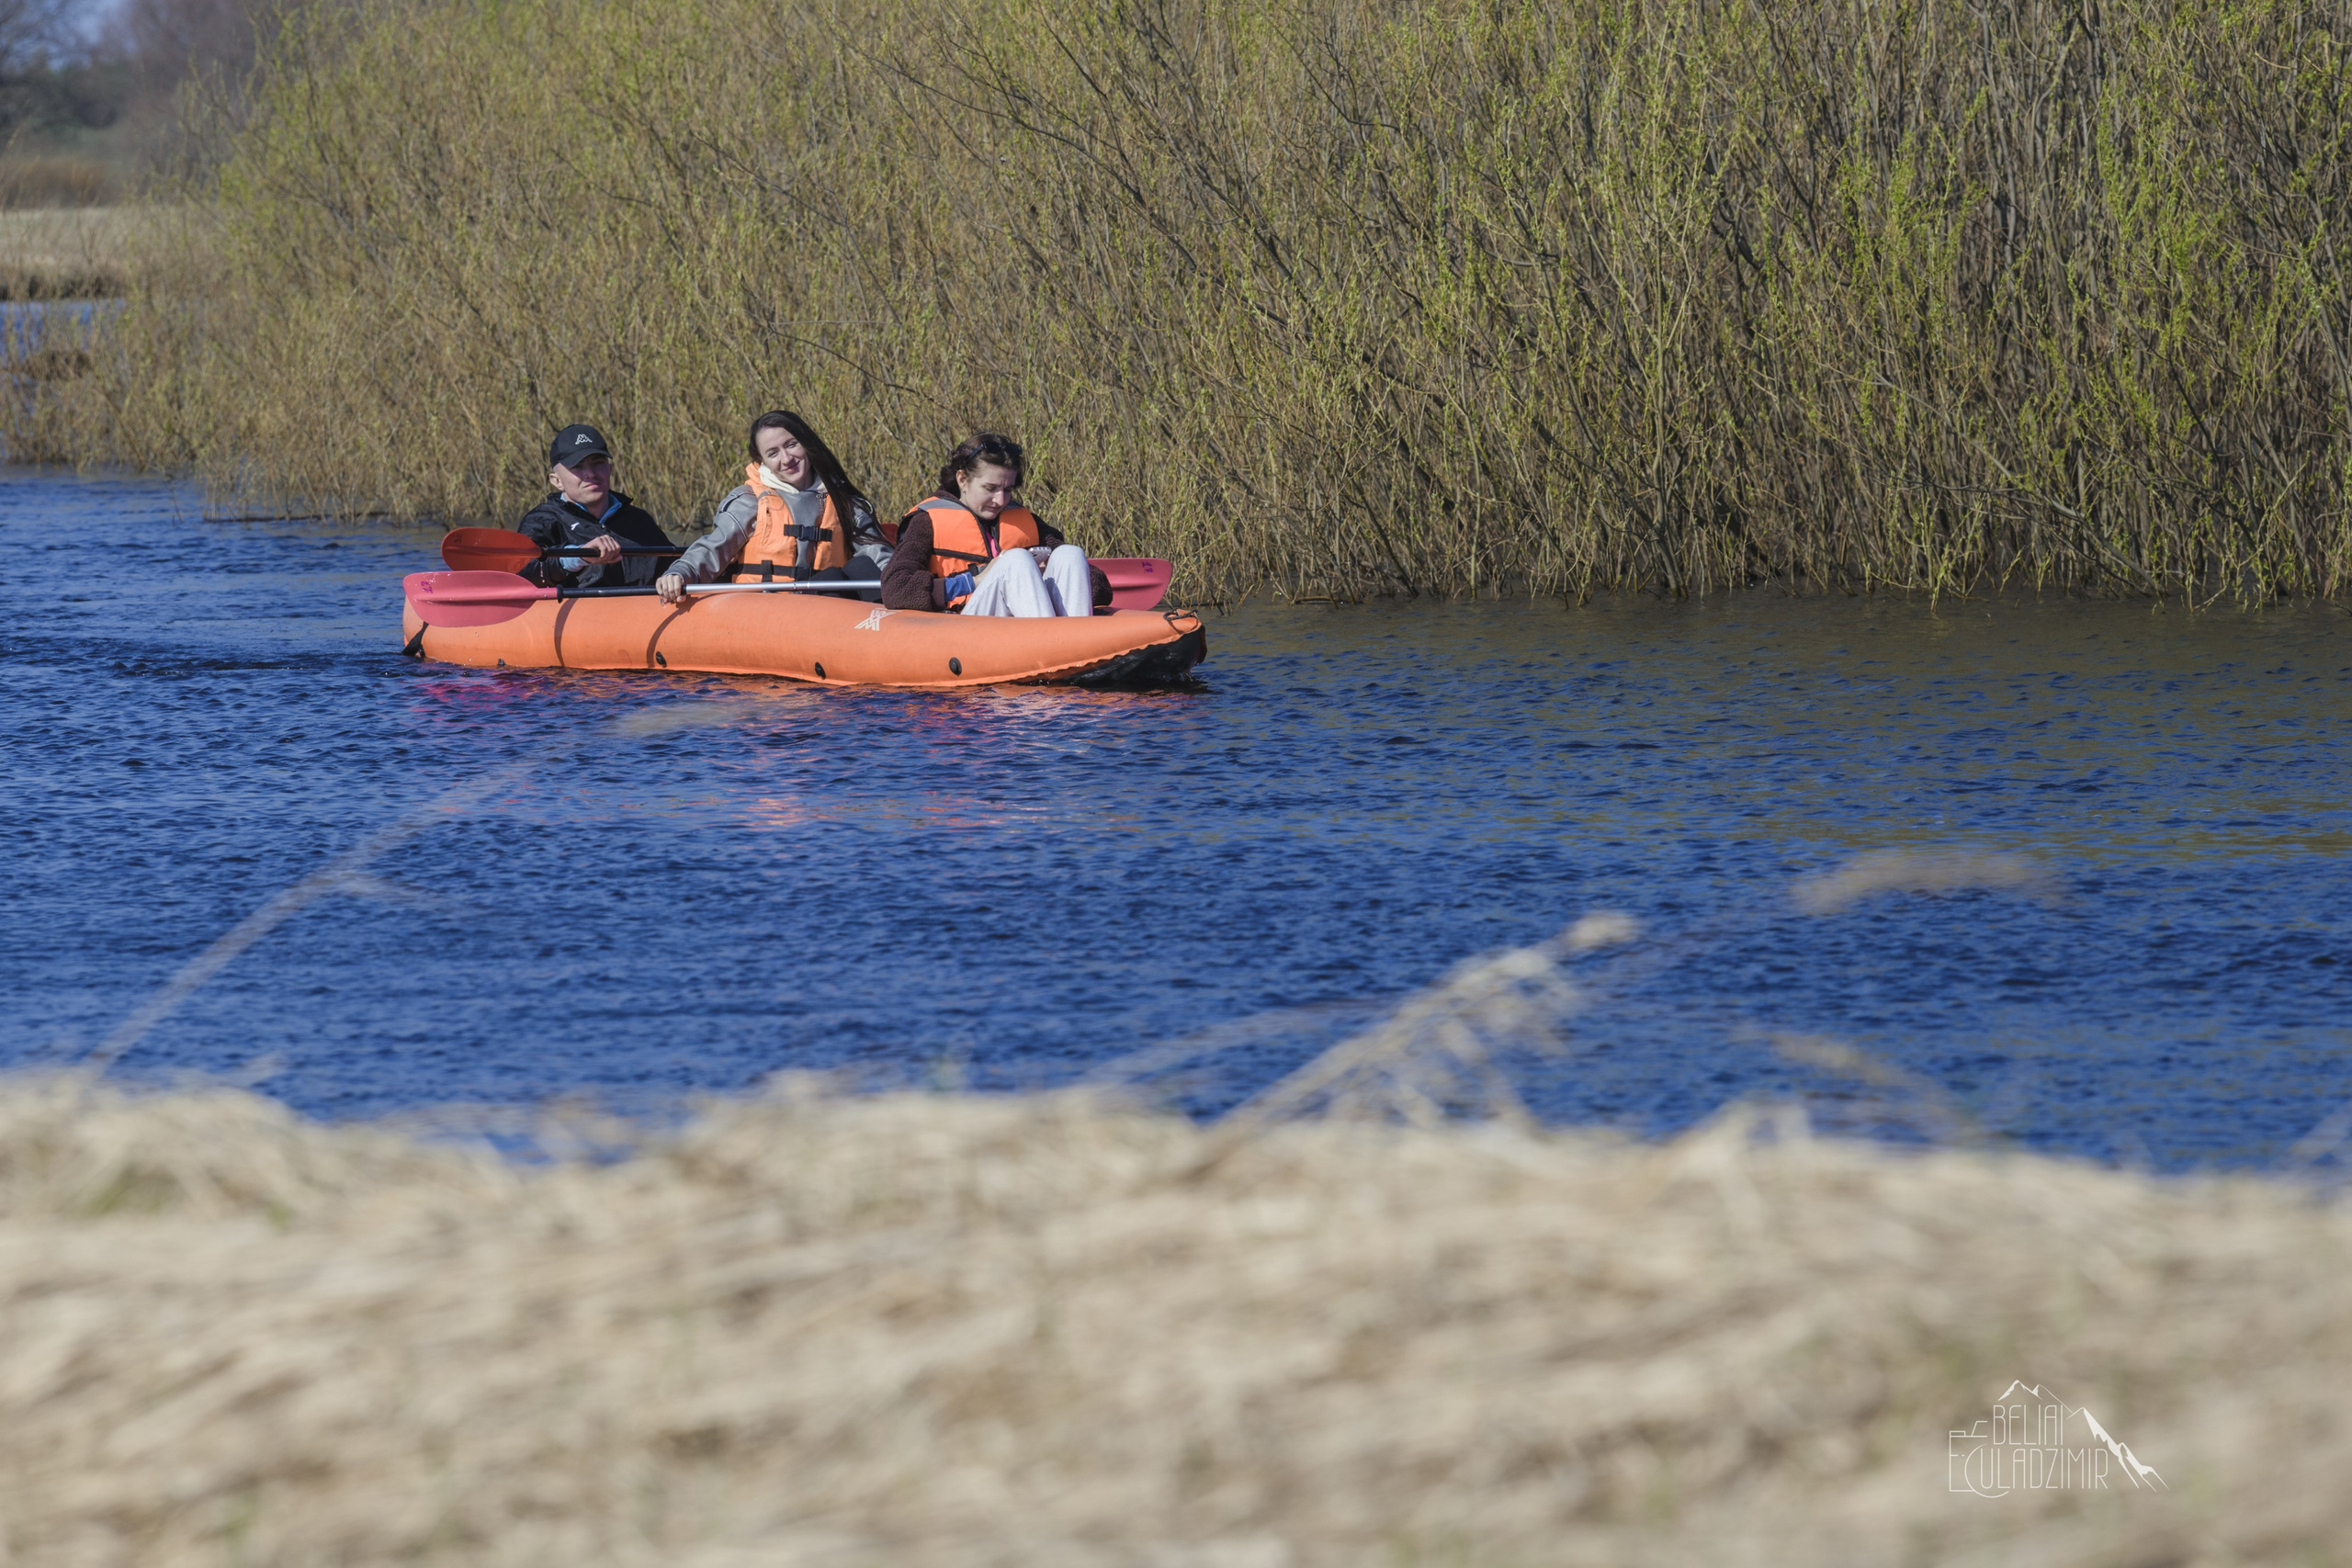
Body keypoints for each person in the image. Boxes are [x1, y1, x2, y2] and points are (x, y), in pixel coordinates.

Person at [657, 411, 887, 604]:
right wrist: (680, 572)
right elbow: (714, 547)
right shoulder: (749, 501)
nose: (787, 459)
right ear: (762, 460)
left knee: (852, 570)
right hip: (764, 610)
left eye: (791, 444)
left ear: (806, 443)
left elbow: (878, 555)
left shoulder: (845, 501)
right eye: (773, 453)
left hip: (827, 605)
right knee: (834, 578)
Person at [879, 432, 1109, 615]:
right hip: (961, 629)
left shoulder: (1023, 519)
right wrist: (976, 580)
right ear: (962, 479)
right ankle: (1049, 654)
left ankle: (1077, 656)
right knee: (1015, 560)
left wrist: (1039, 577)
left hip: (1026, 623)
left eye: (1007, 489)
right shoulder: (927, 520)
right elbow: (896, 589)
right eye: (990, 489)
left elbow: (1099, 586)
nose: (1001, 500)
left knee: (1069, 554)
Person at [515, 423, 677, 588]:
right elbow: (522, 573)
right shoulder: (541, 521)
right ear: (556, 481)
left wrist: (679, 573)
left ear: (610, 469)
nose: (591, 474)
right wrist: (579, 556)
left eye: (598, 463)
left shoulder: (639, 520)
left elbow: (674, 564)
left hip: (646, 611)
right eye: (578, 466)